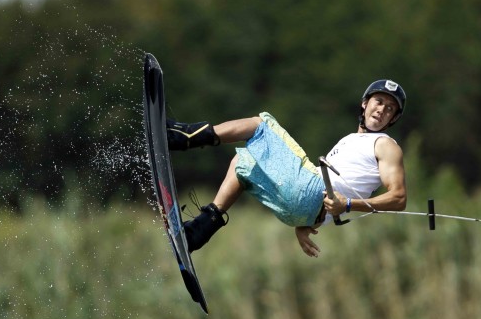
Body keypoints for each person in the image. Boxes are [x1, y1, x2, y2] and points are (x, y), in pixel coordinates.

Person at [166, 80, 408, 257]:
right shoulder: (350, 140)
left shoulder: (385, 145)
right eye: (379, 102)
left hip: (312, 192)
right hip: (302, 214)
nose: (381, 110)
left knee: (260, 124)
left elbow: (398, 198)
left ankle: (185, 136)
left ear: (393, 119)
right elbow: (344, 187)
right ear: (365, 104)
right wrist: (306, 224)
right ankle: (198, 231)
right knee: (243, 162)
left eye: (389, 109)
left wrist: (346, 205)